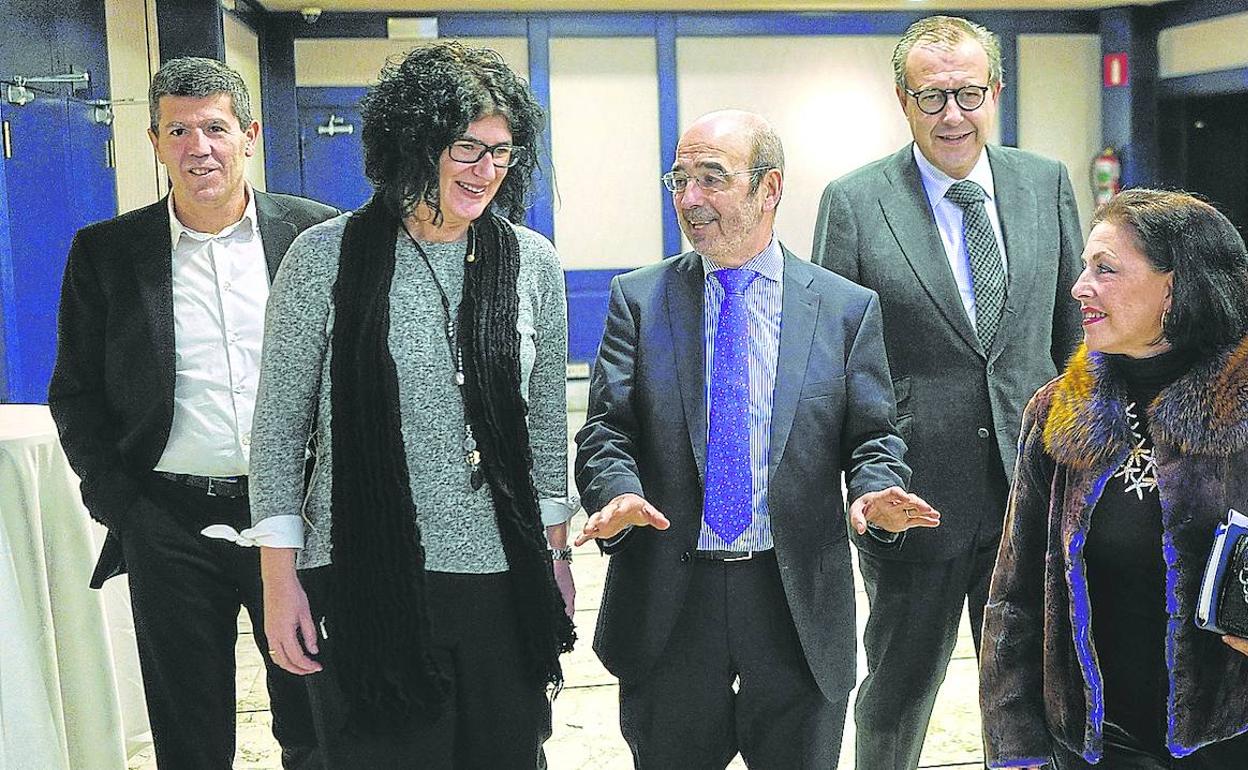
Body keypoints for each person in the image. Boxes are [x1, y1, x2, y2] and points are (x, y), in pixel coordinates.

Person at [243, 42, 576, 767]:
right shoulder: (322, 257)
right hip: (365, 577)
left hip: (501, 581)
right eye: (467, 147)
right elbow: (277, 434)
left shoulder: (532, 263)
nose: (487, 170)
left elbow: (548, 430)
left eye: (503, 153)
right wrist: (278, 583)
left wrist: (555, 556)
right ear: (413, 141)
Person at [574, 109, 938, 768]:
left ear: (769, 189)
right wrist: (617, 493)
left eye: (712, 179)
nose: (689, 199)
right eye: (679, 180)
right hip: (670, 602)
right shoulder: (640, 298)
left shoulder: (843, 308)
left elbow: (873, 435)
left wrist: (876, 491)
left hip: (794, 602)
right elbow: (607, 429)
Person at [810, 15, 1084, 768]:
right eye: (932, 98)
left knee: (1034, 693)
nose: (953, 115)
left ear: (995, 91)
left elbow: (1075, 338)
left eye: (968, 93)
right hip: (916, 500)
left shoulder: (1045, 183)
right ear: (903, 100)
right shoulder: (856, 201)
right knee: (897, 697)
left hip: (1035, 493)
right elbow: (833, 365)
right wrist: (867, 485)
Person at [47, 57, 335, 769]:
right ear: (154, 141)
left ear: (250, 135)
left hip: (298, 516)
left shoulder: (316, 235)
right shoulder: (107, 253)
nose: (198, 148)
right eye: (178, 130)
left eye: (215, 128)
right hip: (169, 521)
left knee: (318, 720)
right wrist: (123, 508)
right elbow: (74, 392)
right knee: (190, 734)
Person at [980, 189, 1248, 769]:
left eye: (1105, 269)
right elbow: (1016, 595)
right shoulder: (1058, 410)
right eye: (1084, 267)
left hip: (1229, 739)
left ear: (1175, 288)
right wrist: (1015, 747)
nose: (1079, 287)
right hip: (1094, 747)